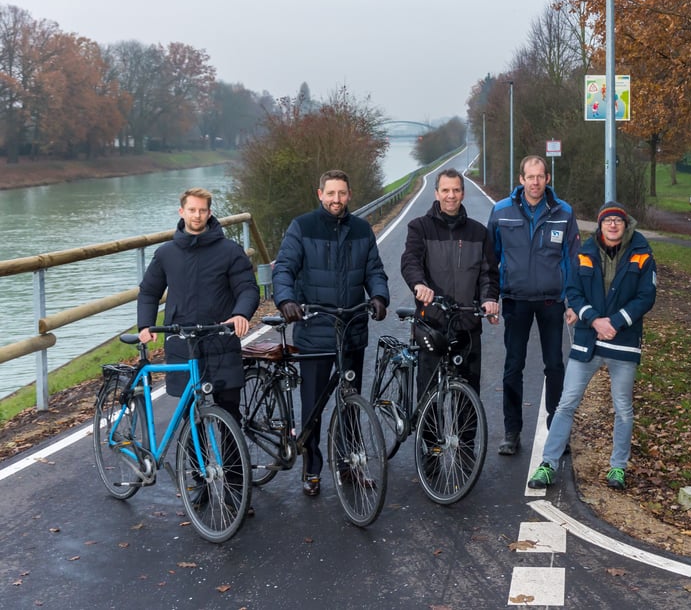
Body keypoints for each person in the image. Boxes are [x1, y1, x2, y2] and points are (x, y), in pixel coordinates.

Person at [137, 188, 259, 513]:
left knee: (229, 419)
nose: (197, 216)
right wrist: (145, 326)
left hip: (221, 343)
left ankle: (236, 490)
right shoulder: (166, 254)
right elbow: (149, 291)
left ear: (209, 213)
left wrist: (241, 314)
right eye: (191, 210)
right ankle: (201, 483)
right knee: (192, 421)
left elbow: (248, 288)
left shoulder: (230, 251)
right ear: (181, 212)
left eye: (202, 211)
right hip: (182, 347)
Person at [272, 170, 389, 497]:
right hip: (314, 330)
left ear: (349, 195)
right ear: (320, 193)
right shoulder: (302, 227)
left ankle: (349, 465)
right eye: (330, 194)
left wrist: (379, 297)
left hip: (351, 329)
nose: (336, 200)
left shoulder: (362, 230)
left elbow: (374, 270)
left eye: (342, 194)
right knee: (313, 407)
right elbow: (284, 268)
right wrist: (286, 300)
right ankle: (312, 468)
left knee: (350, 403)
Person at [527, 202, 656, 491]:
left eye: (617, 221)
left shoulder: (642, 254)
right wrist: (596, 320)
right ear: (600, 225)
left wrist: (617, 321)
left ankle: (618, 468)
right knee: (566, 403)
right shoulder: (584, 253)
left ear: (626, 225)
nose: (612, 225)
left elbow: (646, 296)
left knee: (622, 408)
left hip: (623, 342)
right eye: (607, 220)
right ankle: (548, 463)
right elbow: (573, 291)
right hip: (588, 339)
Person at [488, 155, 580, 455]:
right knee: (513, 366)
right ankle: (512, 432)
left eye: (541, 176)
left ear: (547, 179)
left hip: (552, 301)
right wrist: (492, 296)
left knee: (554, 366)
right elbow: (491, 259)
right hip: (515, 300)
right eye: (530, 176)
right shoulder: (501, 211)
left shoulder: (563, 213)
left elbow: (573, 260)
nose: (536, 182)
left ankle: (557, 432)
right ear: (521, 179)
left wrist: (573, 301)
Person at [400, 168, 500, 398]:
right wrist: (419, 284)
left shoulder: (479, 232)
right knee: (429, 395)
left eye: (456, 190)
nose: (451, 195)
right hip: (432, 323)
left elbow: (489, 274)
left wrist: (489, 299)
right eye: (445, 190)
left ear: (463, 194)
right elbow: (410, 261)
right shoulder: (419, 227)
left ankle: (466, 436)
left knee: (468, 396)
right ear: (436, 193)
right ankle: (428, 435)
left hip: (467, 322)